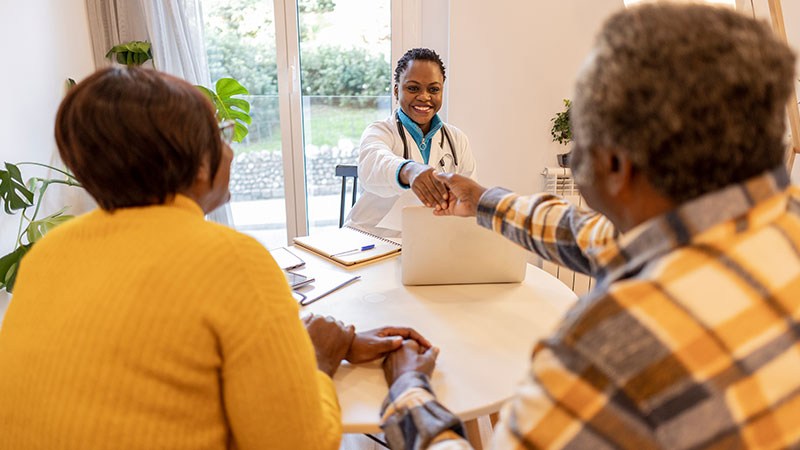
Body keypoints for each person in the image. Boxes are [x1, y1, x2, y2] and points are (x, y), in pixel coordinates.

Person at [379, 4, 800, 449]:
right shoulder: (778, 219)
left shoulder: (602, 353)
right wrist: (484, 200)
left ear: (613, 165)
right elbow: (594, 237)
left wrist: (408, 393)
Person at [0, 67, 430, 450]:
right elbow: (302, 442)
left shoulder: (50, 252)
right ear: (197, 162)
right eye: (221, 135)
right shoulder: (231, 258)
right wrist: (317, 359)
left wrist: (301, 340)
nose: (231, 150)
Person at [345, 48, 477, 237]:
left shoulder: (457, 139)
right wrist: (409, 170)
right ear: (397, 90)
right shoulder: (380, 131)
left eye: (434, 89)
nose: (424, 97)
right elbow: (371, 166)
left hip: (430, 242)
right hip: (372, 239)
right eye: (413, 88)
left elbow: (469, 199)